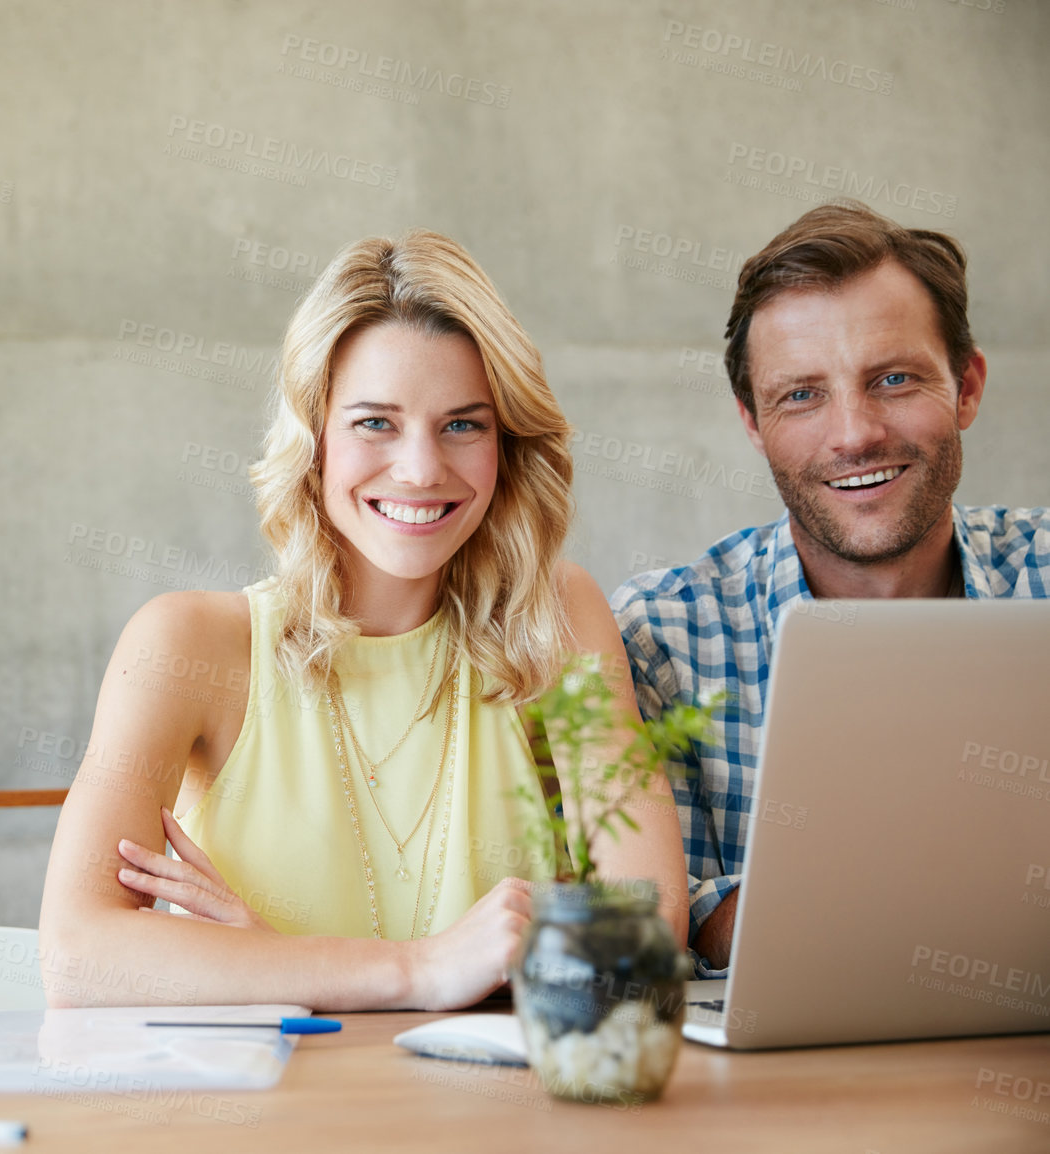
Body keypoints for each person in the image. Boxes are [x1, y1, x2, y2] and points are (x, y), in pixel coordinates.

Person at [38, 230, 689, 1012]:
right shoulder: (184, 643)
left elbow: (643, 933)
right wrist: (415, 971)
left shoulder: (554, 618)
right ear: (312, 439)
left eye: (462, 425)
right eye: (374, 423)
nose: (420, 469)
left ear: (506, 446)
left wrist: (271, 962)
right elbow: (77, 957)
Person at [611, 200, 1050, 976]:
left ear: (967, 386)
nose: (853, 434)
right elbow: (657, 924)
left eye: (892, 378)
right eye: (801, 395)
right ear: (751, 421)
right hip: (771, 1091)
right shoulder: (657, 640)